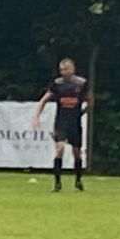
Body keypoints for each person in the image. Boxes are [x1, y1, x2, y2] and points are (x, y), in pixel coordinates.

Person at [32, 58, 90, 192]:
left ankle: (78, 181)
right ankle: (57, 183)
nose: (63, 72)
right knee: (60, 149)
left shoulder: (81, 84)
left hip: (74, 123)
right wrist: (36, 116)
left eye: (66, 69)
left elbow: (90, 100)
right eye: (61, 70)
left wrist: (82, 112)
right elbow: (44, 100)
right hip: (61, 122)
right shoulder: (57, 84)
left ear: (73, 69)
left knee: (77, 153)